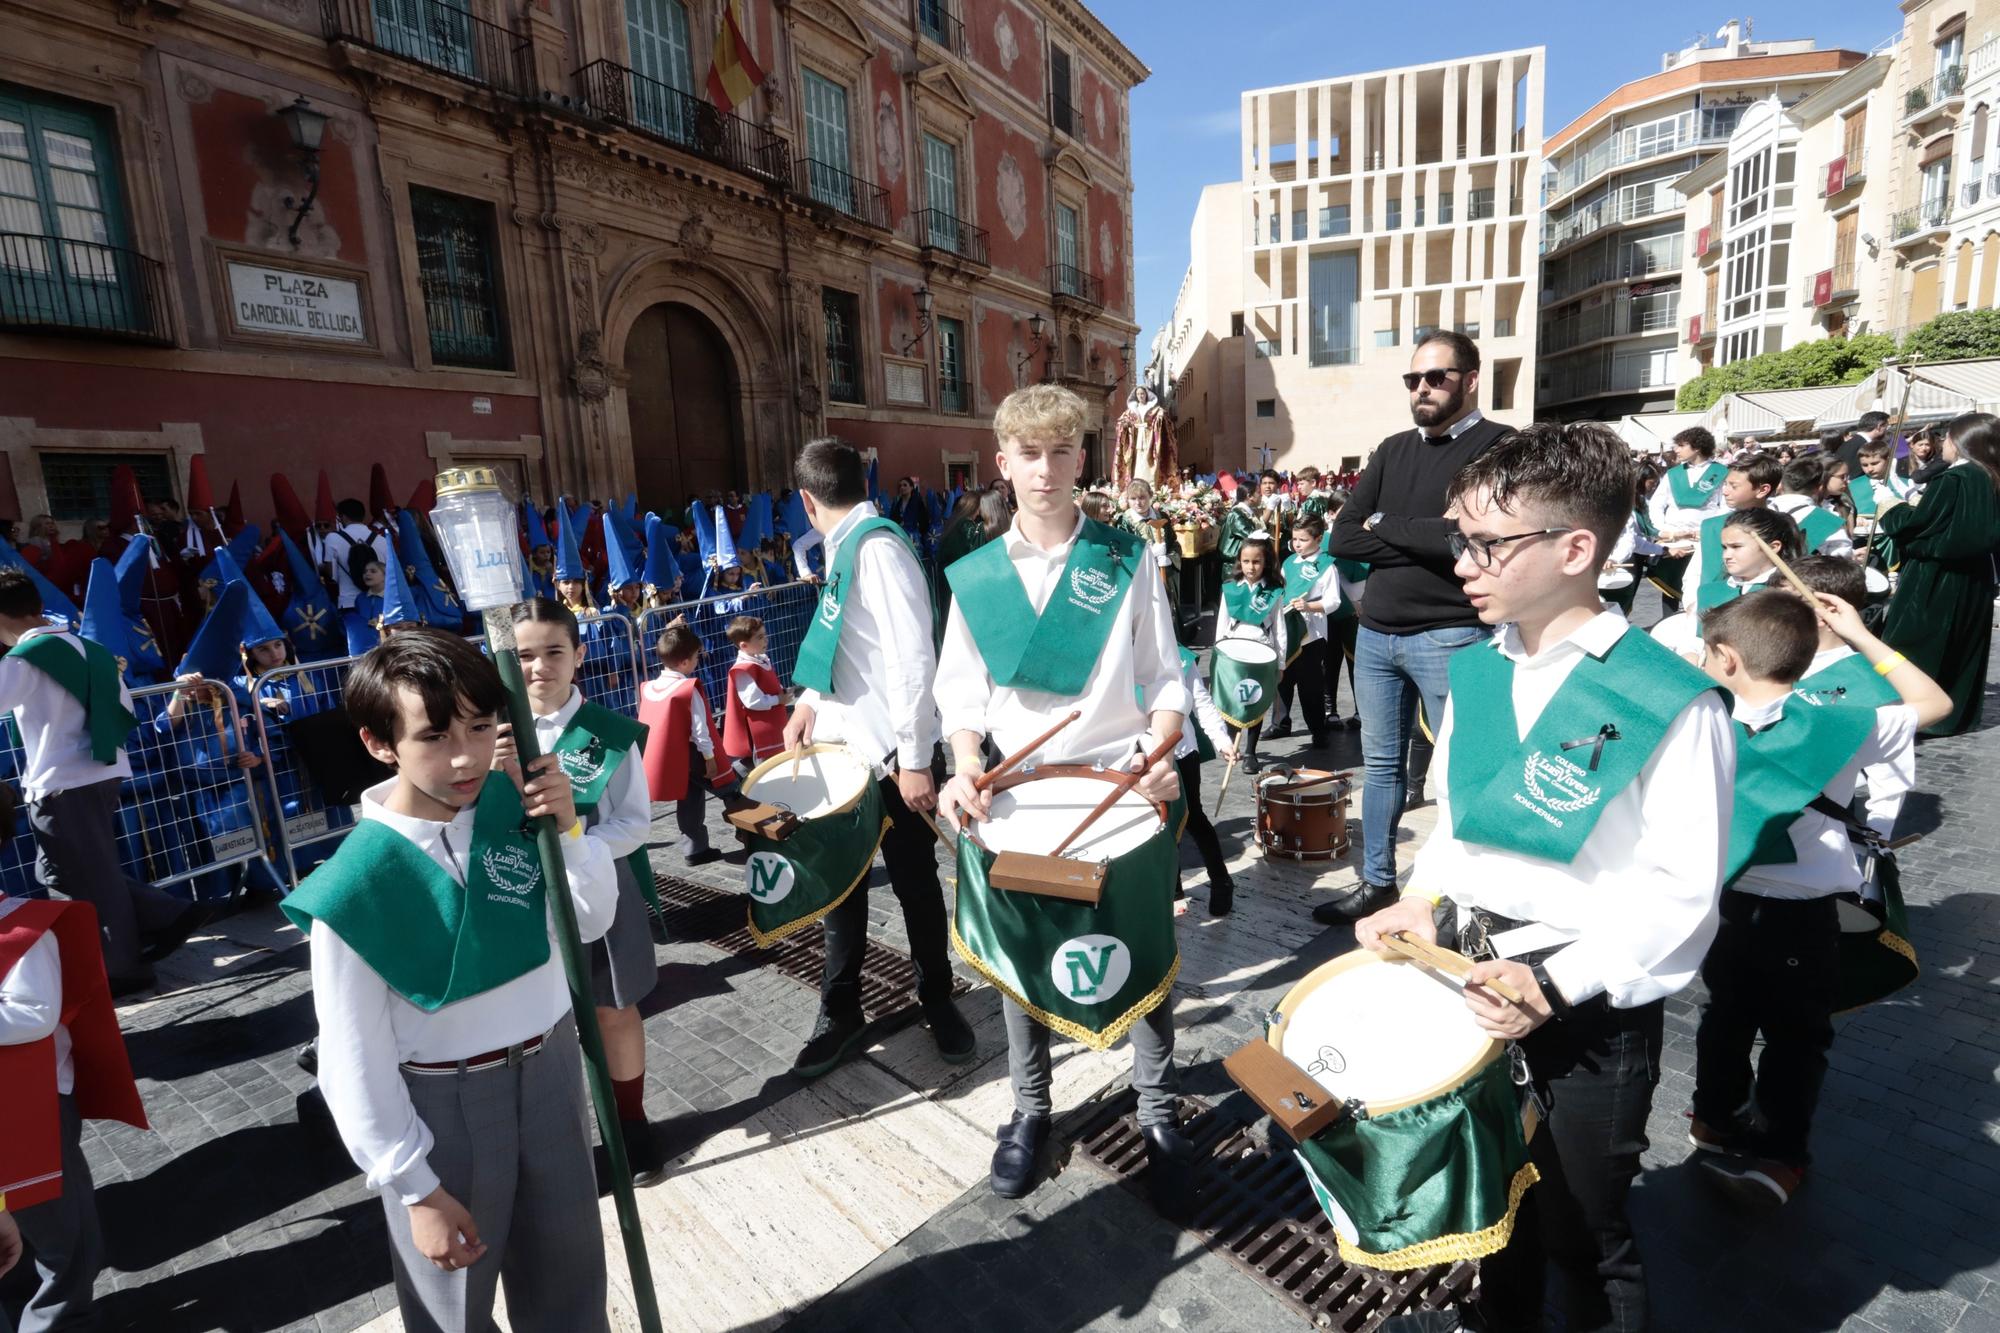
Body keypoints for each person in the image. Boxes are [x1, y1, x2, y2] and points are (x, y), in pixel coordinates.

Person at [1360, 421, 1734, 1333]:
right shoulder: (1481, 671)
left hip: (1585, 1007)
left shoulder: (1666, 697)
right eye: (1463, 539)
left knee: (1583, 1233)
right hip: (1469, 979)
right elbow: (1458, 821)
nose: (1464, 564)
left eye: (1489, 543)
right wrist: (1419, 893)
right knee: (1496, 1205)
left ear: (1577, 549)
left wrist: (1556, 982)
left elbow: (1684, 892)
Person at [280, 628, 617, 1333]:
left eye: (479, 724)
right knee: (452, 1312)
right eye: (433, 735)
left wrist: (570, 830)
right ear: (380, 743)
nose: (464, 755)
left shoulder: (513, 809)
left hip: (551, 1071)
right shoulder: (354, 884)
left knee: (573, 1289)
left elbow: (590, 920)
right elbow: (352, 1058)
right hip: (441, 1107)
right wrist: (413, 1186)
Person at [936, 384, 1193, 1210]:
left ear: (1082, 459)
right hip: (1021, 795)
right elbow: (962, 695)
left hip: (1121, 788)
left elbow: (1164, 676)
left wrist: (1161, 755)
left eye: (1060, 452)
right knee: (1020, 962)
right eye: (1028, 454)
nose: (1044, 471)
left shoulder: (1126, 556)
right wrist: (963, 763)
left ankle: (1158, 1113)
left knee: (1144, 949)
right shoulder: (977, 576)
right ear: (1003, 464)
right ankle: (1029, 1110)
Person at [1689, 591, 1948, 1210]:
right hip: (1802, 911)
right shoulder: (1840, 722)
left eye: (1704, 653)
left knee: (1726, 1013)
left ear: (1726, 658)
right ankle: (1773, 1152)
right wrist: (1860, 635)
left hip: (1724, 899)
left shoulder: (1701, 720)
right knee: (1792, 1036)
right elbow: (1935, 702)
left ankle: (1728, 1126)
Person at [782, 437, 972, 1077]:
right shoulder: (846, 546)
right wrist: (809, 697)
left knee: (916, 883)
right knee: (843, 886)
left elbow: (913, 660)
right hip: (845, 751)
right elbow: (840, 636)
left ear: (807, 501)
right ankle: (840, 1011)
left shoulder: (879, 549)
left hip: (895, 758)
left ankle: (937, 996)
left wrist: (919, 759)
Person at [1324, 331, 1510, 927]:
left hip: (1452, 633)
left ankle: (1461, 895)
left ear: (1471, 380)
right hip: (1376, 635)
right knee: (1380, 767)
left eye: (1437, 377)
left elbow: (1474, 539)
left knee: (1465, 767)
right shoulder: (1393, 448)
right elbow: (1343, 536)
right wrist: (1425, 533)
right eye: (1413, 379)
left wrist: (1389, 528)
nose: (1422, 388)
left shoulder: (1500, 448)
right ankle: (1379, 882)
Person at [502, 598, 664, 1188]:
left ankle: (631, 1124)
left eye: (553, 652)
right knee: (542, 1021)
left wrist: (578, 841)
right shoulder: (493, 733)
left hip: (597, 887)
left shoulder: (602, 732)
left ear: (580, 656)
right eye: (524, 655)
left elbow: (635, 824)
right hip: (518, 892)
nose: (539, 666)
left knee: (612, 1010)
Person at [0, 568, 202, 995]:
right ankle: (162, 914)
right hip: (100, 769)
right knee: (66, 870)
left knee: (81, 874)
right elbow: (123, 706)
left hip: (60, 778)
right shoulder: (90, 648)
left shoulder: (23, 659)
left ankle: (125, 965)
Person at [0, 890, 149, 1333]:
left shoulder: (24, 927)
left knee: (59, 1232)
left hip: (35, 1107)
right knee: (67, 1245)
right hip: (28, 1116)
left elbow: (35, 1013)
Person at [1876, 411, 2000, 735]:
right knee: (1963, 645)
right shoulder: (1990, 476)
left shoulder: (1953, 479)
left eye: (1946, 437)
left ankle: (1919, 712)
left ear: (1961, 442)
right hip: (1975, 578)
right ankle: (1953, 712)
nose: (1942, 443)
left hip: (1935, 577)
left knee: (1916, 644)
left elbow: (1918, 527)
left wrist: (1890, 506)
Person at [1650, 508, 1802, 662]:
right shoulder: (1710, 592)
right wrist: (1692, 659)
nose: (1726, 555)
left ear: (1773, 547)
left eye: (1736, 547)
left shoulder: (1789, 594)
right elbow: (1693, 641)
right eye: (1724, 547)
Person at [638, 622, 725, 866]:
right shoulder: (686, 688)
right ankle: (748, 833)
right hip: (693, 755)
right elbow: (700, 730)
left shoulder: (648, 687)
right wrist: (710, 759)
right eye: (697, 655)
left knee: (689, 801)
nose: (699, 659)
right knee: (730, 791)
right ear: (686, 662)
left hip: (669, 757)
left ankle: (695, 849)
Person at [1172, 643, 1238, 917]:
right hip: (1137, 754)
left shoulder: (1179, 656)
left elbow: (1200, 701)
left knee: (1193, 817)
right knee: (1158, 828)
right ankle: (1173, 891)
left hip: (1180, 751)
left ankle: (1221, 880)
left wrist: (1222, 740)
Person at [1212, 534, 1288, 768]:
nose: (1250, 567)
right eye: (1246, 561)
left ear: (1265, 563)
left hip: (1261, 651)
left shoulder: (1273, 592)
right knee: (1234, 699)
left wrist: (1281, 663)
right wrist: (1217, 655)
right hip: (1233, 651)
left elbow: (1279, 628)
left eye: (1256, 562)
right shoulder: (1230, 589)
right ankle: (1233, 747)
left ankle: (1251, 752)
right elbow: (1221, 623)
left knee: (1254, 698)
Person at [1646, 426, 1729, 612]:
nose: (1676, 450)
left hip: (1704, 539)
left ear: (1697, 447)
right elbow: (1656, 504)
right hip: (1674, 538)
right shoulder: (1673, 474)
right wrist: (1665, 530)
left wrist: (1707, 530)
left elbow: (1725, 505)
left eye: (1681, 445)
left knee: (1700, 585)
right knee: (1670, 587)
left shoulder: (1721, 472)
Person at [1274, 514, 1340, 747]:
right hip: (1288, 630)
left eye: (1303, 539)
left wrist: (1309, 606)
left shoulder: (1327, 565)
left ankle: (1318, 730)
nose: (1297, 544)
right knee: (1282, 678)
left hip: (1312, 634)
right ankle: (1280, 723)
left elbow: (1333, 601)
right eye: (1294, 539)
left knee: (1310, 684)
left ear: (1318, 539)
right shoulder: (1289, 562)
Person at [1680, 451, 1780, 606]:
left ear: (1762, 490)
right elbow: (1696, 572)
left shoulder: (1780, 525)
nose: (1725, 492)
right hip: (1714, 607)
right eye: (1725, 484)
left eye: (1733, 486)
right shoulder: (1712, 527)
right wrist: (1692, 603)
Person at [722, 615, 789, 777]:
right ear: (744, 645)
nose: (765, 640)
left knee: (778, 764)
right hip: (761, 731)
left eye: (764, 635)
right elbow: (753, 700)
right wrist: (777, 699)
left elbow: (769, 682)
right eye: (759, 637)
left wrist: (781, 691)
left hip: (773, 724)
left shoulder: (760, 660)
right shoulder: (744, 669)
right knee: (766, 772)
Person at [1771, 457, 1853, 558]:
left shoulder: (1761, 512)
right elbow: (1843, 558)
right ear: (1820, 488)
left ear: (1781, 485)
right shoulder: (1826, 520)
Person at [325, 499, 390, 616]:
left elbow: (331, 574)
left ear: (343, 517)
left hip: (349, 601)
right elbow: (389, 571)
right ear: (363, 516)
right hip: (380, 601)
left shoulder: (332, 538)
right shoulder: (382, 540)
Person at [1836, 409, 1889, 476]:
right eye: (1886, 427)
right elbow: (1855, 475)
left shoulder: (1846, 445)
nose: (1886, 431)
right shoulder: (1863, 446)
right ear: (1879, 426)